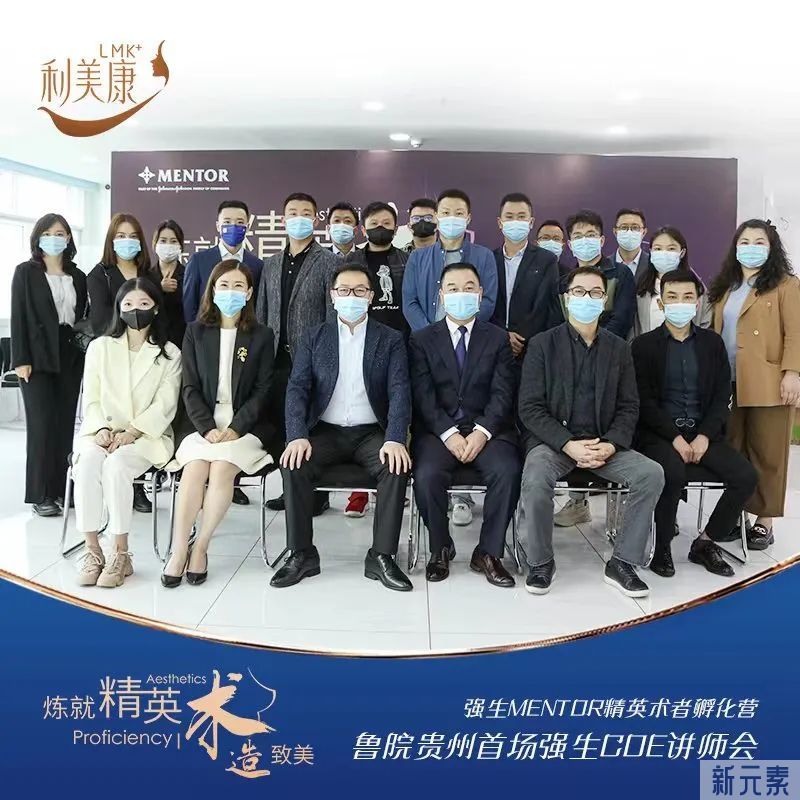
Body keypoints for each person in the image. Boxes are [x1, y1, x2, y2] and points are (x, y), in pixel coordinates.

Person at [519, 266, 663, 597]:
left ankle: (623, 562)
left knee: (650, 473)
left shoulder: (619, 348)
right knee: (536, 475)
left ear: (604, 299)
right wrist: (567, 444)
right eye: (579, 292)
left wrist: (611, 444)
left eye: (596, 292)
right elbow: (530, 408)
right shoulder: (542, 345)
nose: (587, 298)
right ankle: (540, 562)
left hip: (603, 444)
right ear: (567, 299)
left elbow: (629, 407)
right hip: (555, 444)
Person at [270, 263, 413, 591]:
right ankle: (302, 553)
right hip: (326, 431)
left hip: (371, 432)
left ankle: (381, 556)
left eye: (360, 290)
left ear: (371, 296)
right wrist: (297, 436)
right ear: (333, 296)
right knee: (293, 463)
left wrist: (395, 438)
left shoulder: (390, 339)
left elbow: (400, 391)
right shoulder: (314, 337)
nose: (352, 296)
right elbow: (297, 389)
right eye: (344, 290)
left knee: (396, 465)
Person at [631, 270, 758, 577]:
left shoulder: (712, 344)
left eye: (688, 297)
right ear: (661, 303)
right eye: (672, 297)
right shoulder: (643, 346)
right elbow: (643, 401)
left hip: (703, 434)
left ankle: (705, 542)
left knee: (745, 476)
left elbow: (721, 397)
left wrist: (704, 436)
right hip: (659, 435)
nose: (680, 303)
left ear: (698, 302)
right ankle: (662, 546)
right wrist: (674, 437)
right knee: (671, 473)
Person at [163, 261, 274, 588]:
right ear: (212, 290)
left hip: (245, 426)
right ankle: (179, 549)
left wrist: (236, 427)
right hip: (202, 423)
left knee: (223, 467)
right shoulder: (195, 332)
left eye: (238, 286)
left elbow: (263, 390)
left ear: (249, 293)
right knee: (195, 468)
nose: (230, 292)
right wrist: (206, 428)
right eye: (224, 285)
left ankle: (201, 546)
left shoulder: (262, 336)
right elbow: (189, 387)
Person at [409, 263, 521, 587]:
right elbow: (423, 396)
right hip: (439, 431)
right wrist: (449, 434)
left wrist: (482, 433)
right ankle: (440, 547)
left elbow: (503, 393)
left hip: (489, 430)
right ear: (442, 295)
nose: (462, 294)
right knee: (427, 474)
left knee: (507, 471)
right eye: (454, 288)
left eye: (469, 288)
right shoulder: (421, 339)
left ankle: (488, 552)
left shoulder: (497, 338)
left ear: (480, 294)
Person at [72, 279, 181, 588]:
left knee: (117, 465)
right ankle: (93, 550)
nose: (136, 310)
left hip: (147, 437)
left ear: (156, 308)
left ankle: (121, 553)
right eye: (129, 304)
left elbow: (166, 404)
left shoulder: (169, 353)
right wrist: (101, 428)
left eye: (144, 304)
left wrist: (133, 431)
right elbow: (91, 397)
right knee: (88, 462)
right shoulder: (100, 347)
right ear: (119, 309)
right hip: (100, 432)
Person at [403, 188, 498, 526]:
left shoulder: (484, 256)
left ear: (468, 218)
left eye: (459, 212)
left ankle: (462, 497)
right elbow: (410, 302)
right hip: (427, 347)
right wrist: (434, 337)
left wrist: (459, 327)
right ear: (436, 217)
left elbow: (488, 301)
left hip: (471, 343)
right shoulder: (419, 257)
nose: (452, 218)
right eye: (445, 212)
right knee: (433, 407)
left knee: (469, 406)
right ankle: (437, 495)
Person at [708, 219, 800, 549]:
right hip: (728, 381)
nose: (751, 248)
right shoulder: (726, 286)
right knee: (734, 450)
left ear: (771, 247)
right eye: (744, 241)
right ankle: (735, 515)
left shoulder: (786, 284)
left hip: (769, 383)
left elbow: (796, 332)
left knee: (767, 452)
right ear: (735, 247)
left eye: (759, 242)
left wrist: (792, 373)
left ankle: (765, 520)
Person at [553, 210, 637, 527]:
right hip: (568, 363)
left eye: (591, 235)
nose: (584, 241)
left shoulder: (620, 274)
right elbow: (558, 322)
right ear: (569, 243)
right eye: (578, 236)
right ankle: (578, 503)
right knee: (575, 422)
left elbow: (621, 319)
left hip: (609, 360)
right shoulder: (564, 278)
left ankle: (617, 511)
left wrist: (593, 344)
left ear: (602, 240)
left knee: (604, 422)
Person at [256, 192, 339, 513]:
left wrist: (328, 359)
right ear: (283, 219)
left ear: (316, 219)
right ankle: (289, 488)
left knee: (311, 425)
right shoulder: (271, 264)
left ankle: (316, 494)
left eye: (306, 213)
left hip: (312, 359)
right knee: (282, 423)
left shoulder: (329, 262)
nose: (299, 218)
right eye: (293, 213)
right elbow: (262, 313)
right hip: (277, 359)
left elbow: (332, 317)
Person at [11, 213, 87, 517]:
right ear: (38, 238)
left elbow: (82, 317)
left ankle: (60, 490)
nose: (54, 238)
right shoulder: (25, 272)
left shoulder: (78, 275)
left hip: (69, 353)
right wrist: (20, 359)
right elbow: (18, 316)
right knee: (41, 425)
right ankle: (40, 493)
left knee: (65, 424)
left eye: (60, 234)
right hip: (36, 356)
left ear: (68, 238)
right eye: (48, 233)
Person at [341, 201, 410, 518]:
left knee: (396, 415)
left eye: (386, 222)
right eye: (374, 222)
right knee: (362, 416)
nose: (380, 227)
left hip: (400, 345)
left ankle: (393, 483)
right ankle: (358, 493)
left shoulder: (407, 260)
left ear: (396, 227)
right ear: (363, 226)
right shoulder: (350, 260)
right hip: (359, 344)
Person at [492, 193, 560, 359]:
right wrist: (503, 336)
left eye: (521, 216)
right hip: (494, 346)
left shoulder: (547, 260)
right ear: (500, 223)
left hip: (532, 348)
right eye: (509, 217)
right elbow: (486, 303)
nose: (515, 221)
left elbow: (544, 305)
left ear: (531, 222)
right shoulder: (489, 259)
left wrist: (521, 338)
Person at [182, 200, 264, 324]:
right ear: (218, 226)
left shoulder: (258, 265)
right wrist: (195, 332)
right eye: (227, 222)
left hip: (245, 331)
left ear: (247, 227)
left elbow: (259, 306)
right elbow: (189, 306)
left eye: (240, 222)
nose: (233, 227)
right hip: (206, 331)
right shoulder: (198, 261)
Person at [632, 226, 712, 338]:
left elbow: (705, 325)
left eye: (671, 249)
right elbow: (634, 330)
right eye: (658, 249)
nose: (664, 253)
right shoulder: (641, 288)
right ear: (651, 252)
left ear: (682, 253)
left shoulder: (697, 288)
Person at [87, 212, 149, 336]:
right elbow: (101, 321)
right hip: (113, 342)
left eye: (133, 236)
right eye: (121, 236)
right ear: (111, 240)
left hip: (147, 343)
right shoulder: (99, 275)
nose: (127, 240)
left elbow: (159, 317)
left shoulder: (149, 275)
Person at [149, 219, 186, 349]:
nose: (168, 245)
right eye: (163, 241)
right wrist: (159, 289)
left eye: (173, 241)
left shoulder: (189, 274)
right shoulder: (146, 276)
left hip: (181, 341)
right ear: (155, 244)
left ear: (180, 246)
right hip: (153, 341)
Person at [613, 208, 650, 280]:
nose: (629, 232)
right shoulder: (604, 266)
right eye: (624, 227)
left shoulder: (653, 264)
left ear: (644, 232)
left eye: (635, 227)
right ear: (615, 232)